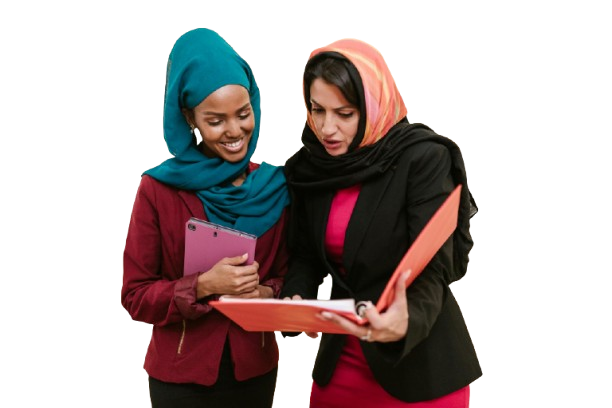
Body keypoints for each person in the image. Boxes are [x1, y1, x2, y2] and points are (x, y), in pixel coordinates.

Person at [280, 37, 482, 407]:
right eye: (317, 109)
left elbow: (432, 266)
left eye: (345, 114)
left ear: (373, 105)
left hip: (419, 363)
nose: (327, 128)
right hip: (342, 360)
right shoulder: (310, 167)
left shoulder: (421, 158)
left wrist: (405, 322)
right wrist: (298, 297)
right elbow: (306, 253)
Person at [121, 27, 290, 408]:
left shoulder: (276, 186)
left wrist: (266, 294)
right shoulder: (158, 190)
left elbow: (290, 274)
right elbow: (135, 295)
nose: (234, 131)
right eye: (215, 120)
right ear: (189, 117)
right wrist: (200, 286)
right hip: (181, 379)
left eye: (243, 114)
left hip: (256, 373)